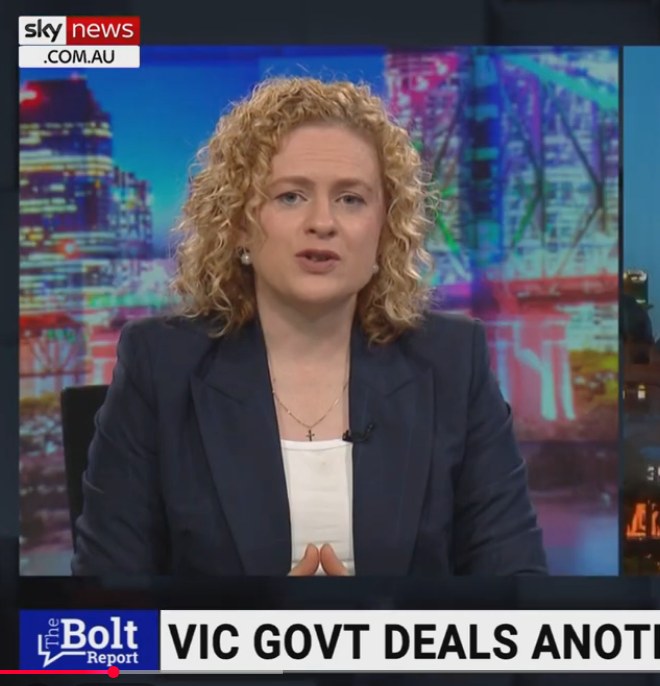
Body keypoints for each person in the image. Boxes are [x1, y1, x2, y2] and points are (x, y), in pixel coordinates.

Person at [72, 77, 548, 576]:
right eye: (291, 196)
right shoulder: (159, 368)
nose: (323, 222)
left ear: (384, 231)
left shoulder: (453, 362)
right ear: (238, 223)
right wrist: (257, 642)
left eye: (351, 199)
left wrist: (377, 639)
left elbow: (517, 600)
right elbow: (101, 621)